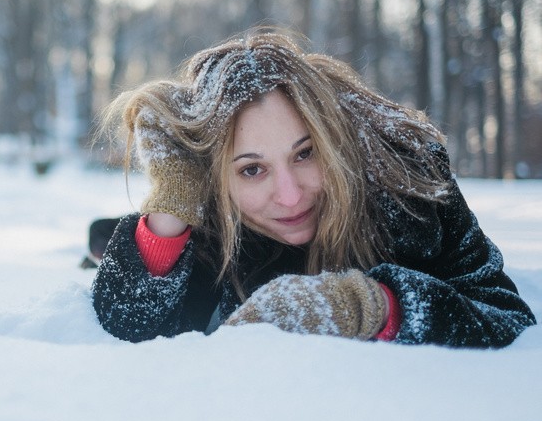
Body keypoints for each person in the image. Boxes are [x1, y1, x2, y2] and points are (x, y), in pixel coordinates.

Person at [91, 27, 536, 347]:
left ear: (332, 139)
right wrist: (171, 201)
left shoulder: (406, 179)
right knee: (103, 237)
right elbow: (134, 327)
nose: (290, 195)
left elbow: (506, 317)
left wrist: (371, 304)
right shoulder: (214, 212)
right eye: (251, 169)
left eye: (305, 154)